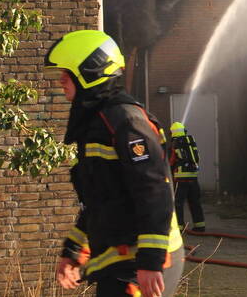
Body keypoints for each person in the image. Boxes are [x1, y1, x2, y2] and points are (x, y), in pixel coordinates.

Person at [48, 30, 184, 297]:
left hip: (142, 264)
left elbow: (155, 191)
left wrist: (150, 261)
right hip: (122, 264)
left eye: (68, 72)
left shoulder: (127, 123)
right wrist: (74, 251)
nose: (61, 79)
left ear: (89, 73)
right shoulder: (98, 124)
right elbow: (101, 200)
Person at [168, 121, 206, 232]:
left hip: (181, 179)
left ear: (172, 133)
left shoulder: (175, 144)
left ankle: (179, 227)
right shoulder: (190, 142)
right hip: (193, 177)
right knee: (195, 201)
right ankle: (200, 226)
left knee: (178, 203)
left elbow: (171, 161)